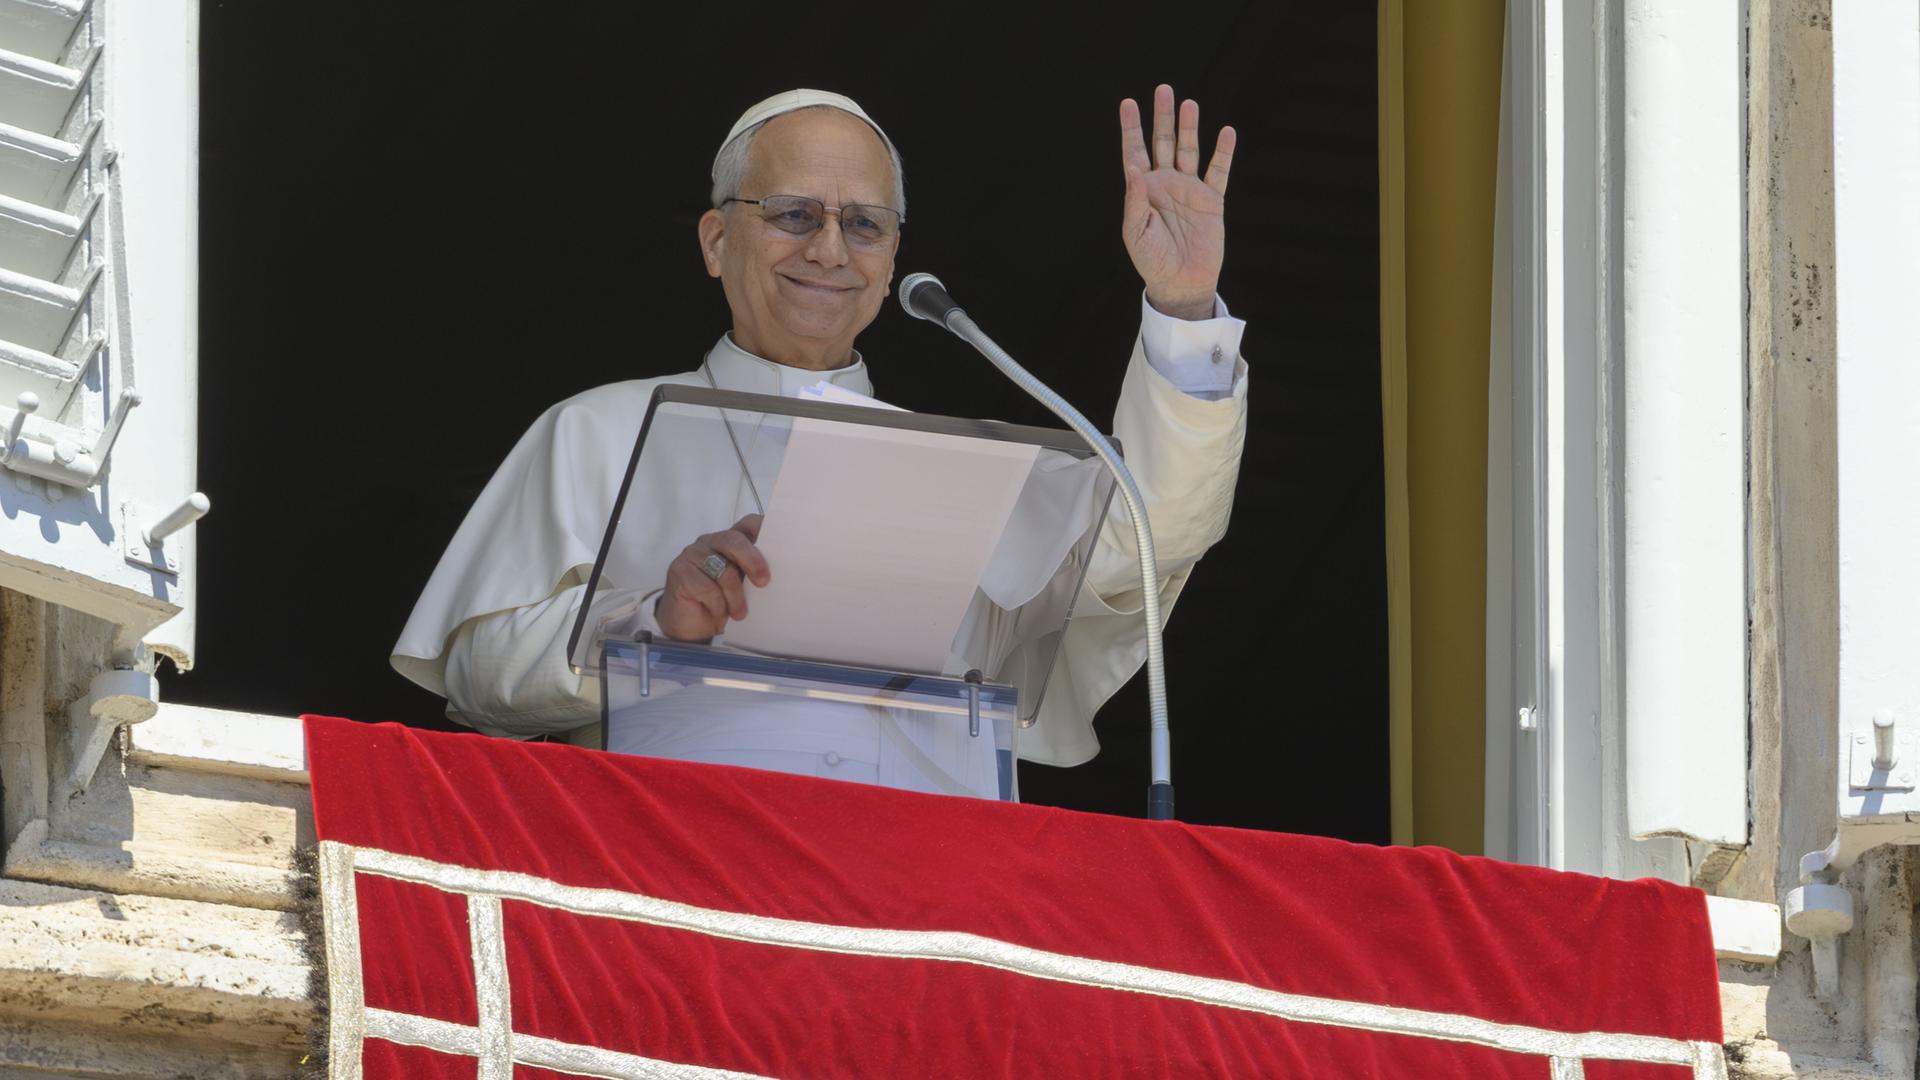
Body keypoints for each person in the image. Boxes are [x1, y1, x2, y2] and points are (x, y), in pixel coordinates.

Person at [391, 87, 1247, 799]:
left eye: (865, 225)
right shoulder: (595, 429)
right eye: (794, 214)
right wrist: (650, 622)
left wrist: (1182, 308)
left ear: (893, 255)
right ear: (717, 241)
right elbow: (479, 677)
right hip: (674, 878)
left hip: (922, 902)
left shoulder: (964, 471)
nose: (830, 249)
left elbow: (1152, 537)